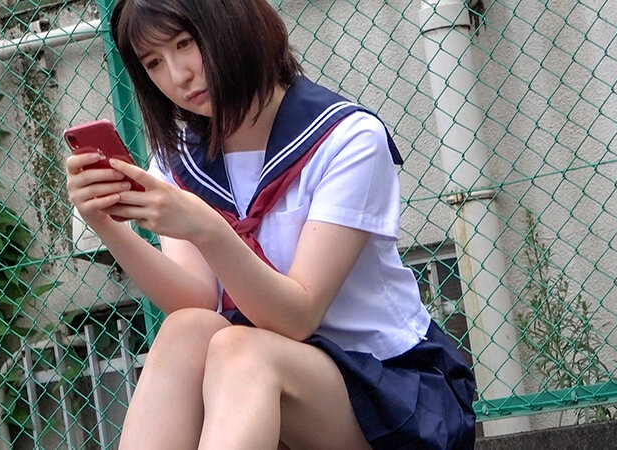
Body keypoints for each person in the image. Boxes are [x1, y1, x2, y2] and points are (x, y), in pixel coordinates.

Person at [64, 0, 476, 448]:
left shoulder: (347, 139)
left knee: (240, 350)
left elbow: (296, 318)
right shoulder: (180, 161)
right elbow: (197, 301)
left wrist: (206, 228)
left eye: (185, 43)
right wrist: (107, 225)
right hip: (255, 386)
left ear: (233, 22)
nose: (178, 76)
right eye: (153, 63)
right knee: (187, 330)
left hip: (388, 388)